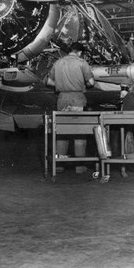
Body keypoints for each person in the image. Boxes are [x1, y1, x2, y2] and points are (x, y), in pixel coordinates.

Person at [47, 42, 95, 173]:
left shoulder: (58, 63)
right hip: (77, 99)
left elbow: (49, 81)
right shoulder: (82, 62)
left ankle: (59, 165)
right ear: (80, 52)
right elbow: (91, 82)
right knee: (79, 132)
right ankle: (79, 167)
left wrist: (62, 84)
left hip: (62, 99)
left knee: (62, 132)